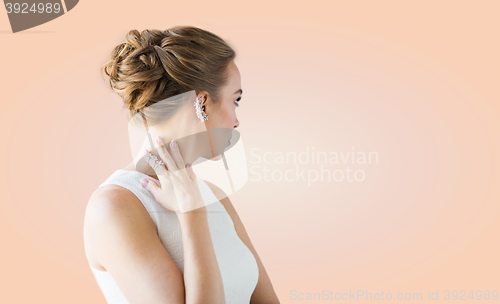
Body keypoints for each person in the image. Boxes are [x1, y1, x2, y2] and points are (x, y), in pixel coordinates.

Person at [83, 26, 280, 304]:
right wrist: (192, 215)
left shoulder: (212, 195)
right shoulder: (115, 206)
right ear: (201, 104)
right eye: (235, 100)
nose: (236, 122)